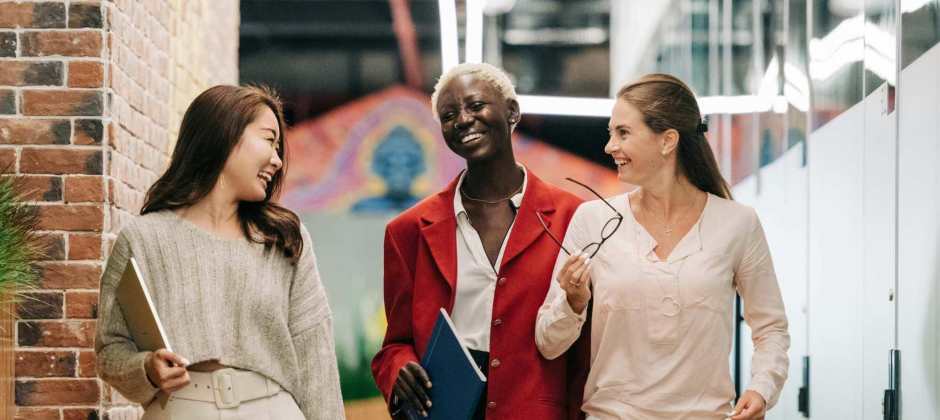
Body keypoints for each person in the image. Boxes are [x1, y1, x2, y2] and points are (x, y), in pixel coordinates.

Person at [535, 74, 790, 420]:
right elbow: (548, 343)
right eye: (611, 133)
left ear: (668, 141)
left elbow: (771, 328)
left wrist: (762, 388)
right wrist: (573, 302)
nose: (609, 146)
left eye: (623, 133)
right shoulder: (593, 220)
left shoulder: (737, 223)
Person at [95, 85, 346, 419]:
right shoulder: (143, 239)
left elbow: (316, 359)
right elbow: (110, 349)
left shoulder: (284, 239)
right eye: (269, 140)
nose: (277, 160)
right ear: (224, 135)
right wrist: (147, 368)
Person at [371, 63, 590, 419]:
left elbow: (585, 348)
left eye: (476, 105)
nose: (462, 120)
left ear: (512, 111)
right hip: (446, 408)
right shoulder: (408, 231)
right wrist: (399, 369)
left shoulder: (572, 216)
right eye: (448, 115)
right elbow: (396, 343)